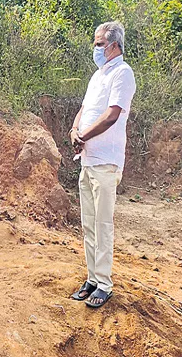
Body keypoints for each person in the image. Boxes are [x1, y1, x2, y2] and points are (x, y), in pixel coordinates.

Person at [70, 21, 136, 308]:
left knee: (103, 223)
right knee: (88, 224)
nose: (96, 48)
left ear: (114, 45)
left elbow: (112, 115)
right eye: (96, 43)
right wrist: (75, 131)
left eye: (99, 44)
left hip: (107, 162)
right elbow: (84, 109)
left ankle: (105, 283)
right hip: (87, 160)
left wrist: (84, 134)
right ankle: (92, 278)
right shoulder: (97, 76)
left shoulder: (123, 73)